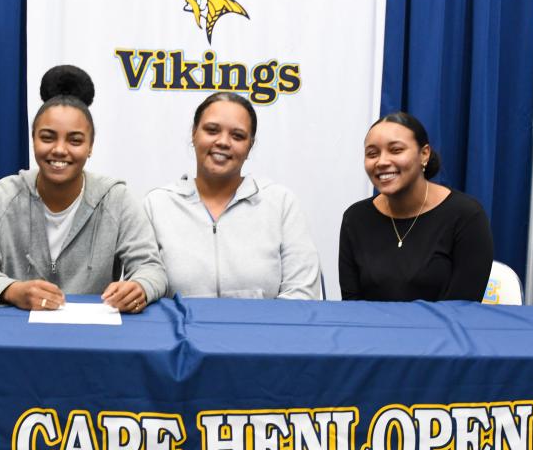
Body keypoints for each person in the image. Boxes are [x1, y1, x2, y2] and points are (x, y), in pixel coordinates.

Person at [0, 65, 166, 312]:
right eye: (47, 137)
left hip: (93, 335)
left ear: (90, 147)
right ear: (33, 140)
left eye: (75, 140)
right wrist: (11, 290)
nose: (60, 150)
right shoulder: (0, 197)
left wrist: (140, 286)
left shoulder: (116, 199)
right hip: (15, 332)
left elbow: (151, 268)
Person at [143, 92, 321, 299]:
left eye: (237, 136)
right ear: (194, 134)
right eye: (212, 130)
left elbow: (302, 292)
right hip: (180, 331)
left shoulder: (281, 204)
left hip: (263, 330)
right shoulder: (157, 205)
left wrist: (263, 331)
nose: (223, 142)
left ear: (250, 146)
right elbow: (142, 283)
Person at [339, 111, 493, 301]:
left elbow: (462, 308)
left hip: (442, 330)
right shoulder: (355, 218)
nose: (382, 161)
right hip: (372, 330)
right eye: (372, 154)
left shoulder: (467, 216)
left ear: (424, 154)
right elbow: (352, 306)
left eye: (396, 150)